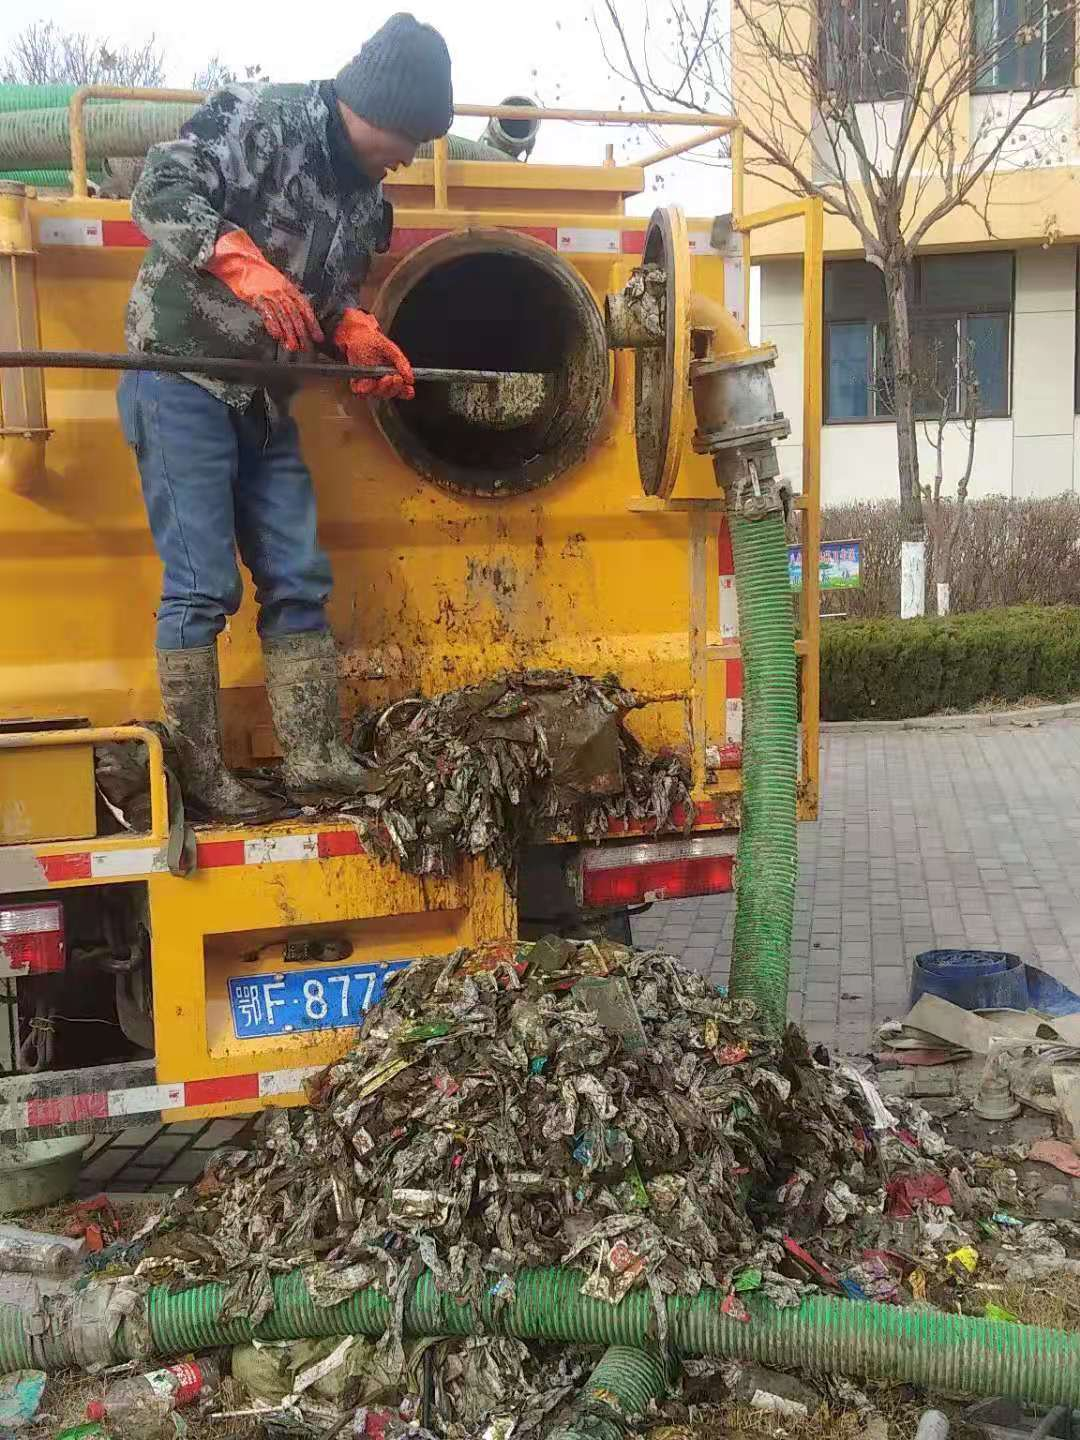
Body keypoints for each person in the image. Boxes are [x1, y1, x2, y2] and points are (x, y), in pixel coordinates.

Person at [118, 14, 453, 819]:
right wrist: (243, 266)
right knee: (200, 585)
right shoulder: (259, 121)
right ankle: (199, 776)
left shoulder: (367, 200)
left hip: (265, 395)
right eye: (407, 136)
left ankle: (315, 761)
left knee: (298, 579)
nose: (409, 157)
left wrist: (355, 328)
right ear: (370, 106)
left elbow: (330, 294)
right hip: (181, 376)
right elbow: (157, 191)